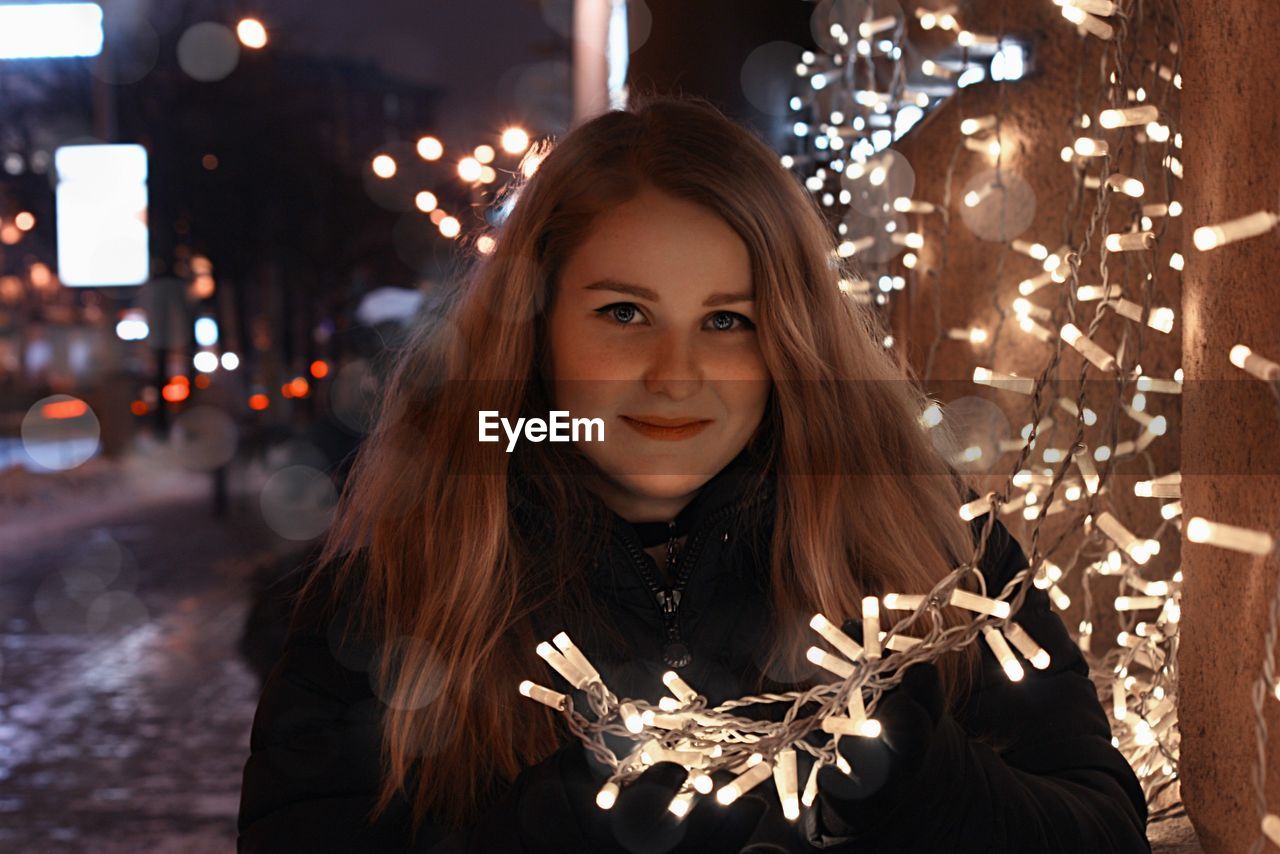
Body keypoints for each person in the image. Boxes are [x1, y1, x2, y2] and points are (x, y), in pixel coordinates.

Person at [236, 93, 1151, 853]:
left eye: (727, 321)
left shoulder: (944, 560)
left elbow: (1103, 831)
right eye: (625, 313)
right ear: (536, 329)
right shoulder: (396, 591)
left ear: (790, 337)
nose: (675, 374)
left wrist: (924, 775)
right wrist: (557, 828)